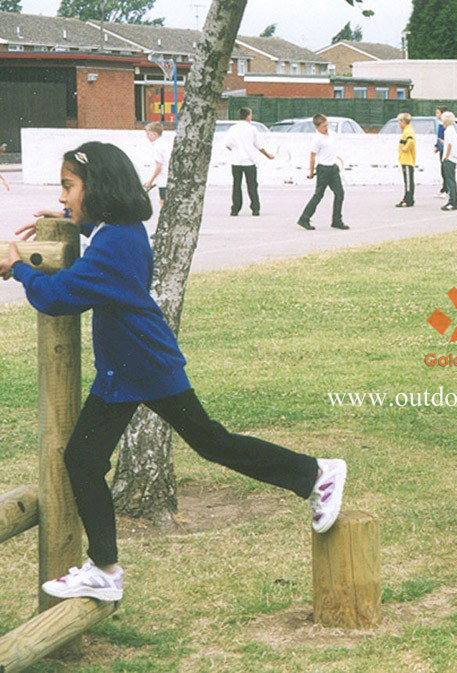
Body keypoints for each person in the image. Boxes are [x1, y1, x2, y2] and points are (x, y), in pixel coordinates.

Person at [0, 142, 346, 602]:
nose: (63, 197)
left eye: (69, 187)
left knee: (210, 442)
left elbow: (58, 296)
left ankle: (317, 473)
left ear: (96, 186)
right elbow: (96, 254)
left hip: (143, 365)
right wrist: (71, 224)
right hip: (127, 370)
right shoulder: (118, 230)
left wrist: (19, 268)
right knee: (87, 460)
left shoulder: (114, 244)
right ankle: (104, 569)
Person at [296, 114, 349, 231]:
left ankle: (336, 220)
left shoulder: (332, 135)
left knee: (340, 194)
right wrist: (311, 172)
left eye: (327, 125)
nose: (326, 128)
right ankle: (304, 218)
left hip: (333, 168)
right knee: (319, 195)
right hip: (323, 169)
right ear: (317, 127)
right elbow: (312, 156)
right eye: (324, 126)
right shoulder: (317, 139)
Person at [224, 107, 273, 216]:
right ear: (248, 116)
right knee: (252, 186)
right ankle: (255, 208)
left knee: (236, 185)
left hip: (236, 161)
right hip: (249, 161)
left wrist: (236, 151)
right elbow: (259, 146)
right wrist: (268, 155)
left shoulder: (233, 129)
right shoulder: (252, 129)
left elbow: (227, 144)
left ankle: (235, 209)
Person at [141, 122, 169, 208]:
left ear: (154, 134)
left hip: (163, 180)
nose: (147, 136)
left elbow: (159, 167)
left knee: (163, 202)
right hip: (167, 178)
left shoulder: (157, 146)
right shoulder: (165, 144)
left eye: (148, 134)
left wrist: (150, 181)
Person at [440, 111, 457, 211]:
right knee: (451, 180)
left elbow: (449, 145)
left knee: (450, 181)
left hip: (449, 159)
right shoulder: (453, 130)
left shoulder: (448, 131)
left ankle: (452, 202)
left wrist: (446, 157)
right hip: (453, 158)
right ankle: (453, 201)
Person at [396, 112, 416, 208]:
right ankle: (409, 198)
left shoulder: (408, 131)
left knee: (408, 180)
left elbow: (410, 141)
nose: (399, 124)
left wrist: (404, 149)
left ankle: (408, 199)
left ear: (404, 121)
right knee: (408, 180)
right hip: (404, 159)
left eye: (399, 121)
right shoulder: (406, 131)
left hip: (407, 160)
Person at [434, 105, 449, 198]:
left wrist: (442, 145)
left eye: (438, 113)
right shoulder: (440, 124)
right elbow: (439, 138)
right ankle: (444, 188)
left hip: (445, 150)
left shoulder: (445, 125)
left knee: (446, 170)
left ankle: (447, 190)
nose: (436, 114)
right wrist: (436, 146)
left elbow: (445, 138)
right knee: (442, 170)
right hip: (441, 149)